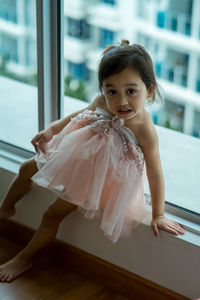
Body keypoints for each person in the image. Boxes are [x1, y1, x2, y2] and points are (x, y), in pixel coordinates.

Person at [0, 40, 185, 282]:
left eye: (131, 91)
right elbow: (77, 116)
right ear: (103, 89)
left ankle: (26, 257)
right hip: (72, 152)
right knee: (26, 168)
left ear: (149, 90)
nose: (121, 102)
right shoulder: (101, 102)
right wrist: (51, 131)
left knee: (52, 214)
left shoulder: (144, 128)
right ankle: (5, 209)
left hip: (95, 177)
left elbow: (155, 171)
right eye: (112, 91)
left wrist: (158, 214)